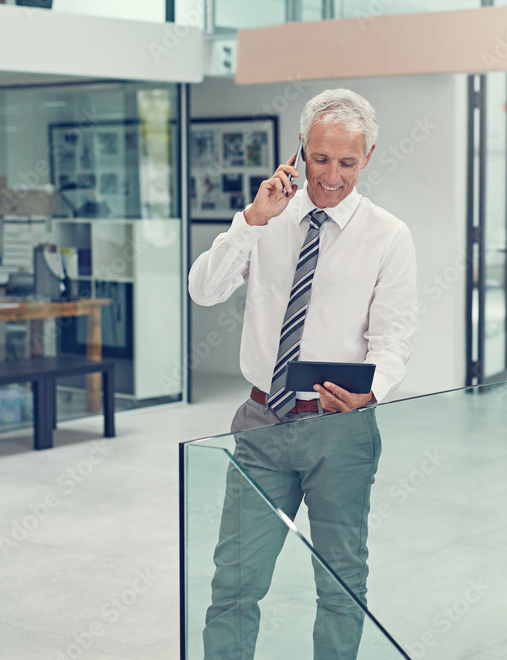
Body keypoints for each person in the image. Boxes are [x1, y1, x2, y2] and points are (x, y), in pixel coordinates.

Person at [188, 88, 418, 659]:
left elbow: (393, 340)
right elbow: (204, 289)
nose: (332, 176)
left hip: (340, 431)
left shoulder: (389, 235)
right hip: (262, 422)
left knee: (341, 585)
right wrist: (250, 221)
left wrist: (371, 392)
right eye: (320, 159)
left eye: (346, 162)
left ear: (367, 157)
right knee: (234, 583)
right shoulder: (268, 218)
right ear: (299, 151)